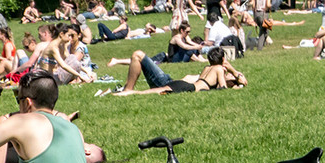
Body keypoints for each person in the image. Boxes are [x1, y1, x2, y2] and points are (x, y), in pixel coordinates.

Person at [104, 46, 246, 95]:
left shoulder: (211, 70)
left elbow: (243, 82)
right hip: (171, 82)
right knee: (138, 55)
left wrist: (233, 72)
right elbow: (238, 83)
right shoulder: (216, 71)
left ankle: (125, 92)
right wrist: (232, 71)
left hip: (174, 84)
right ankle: (126, 91)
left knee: (138, 55)